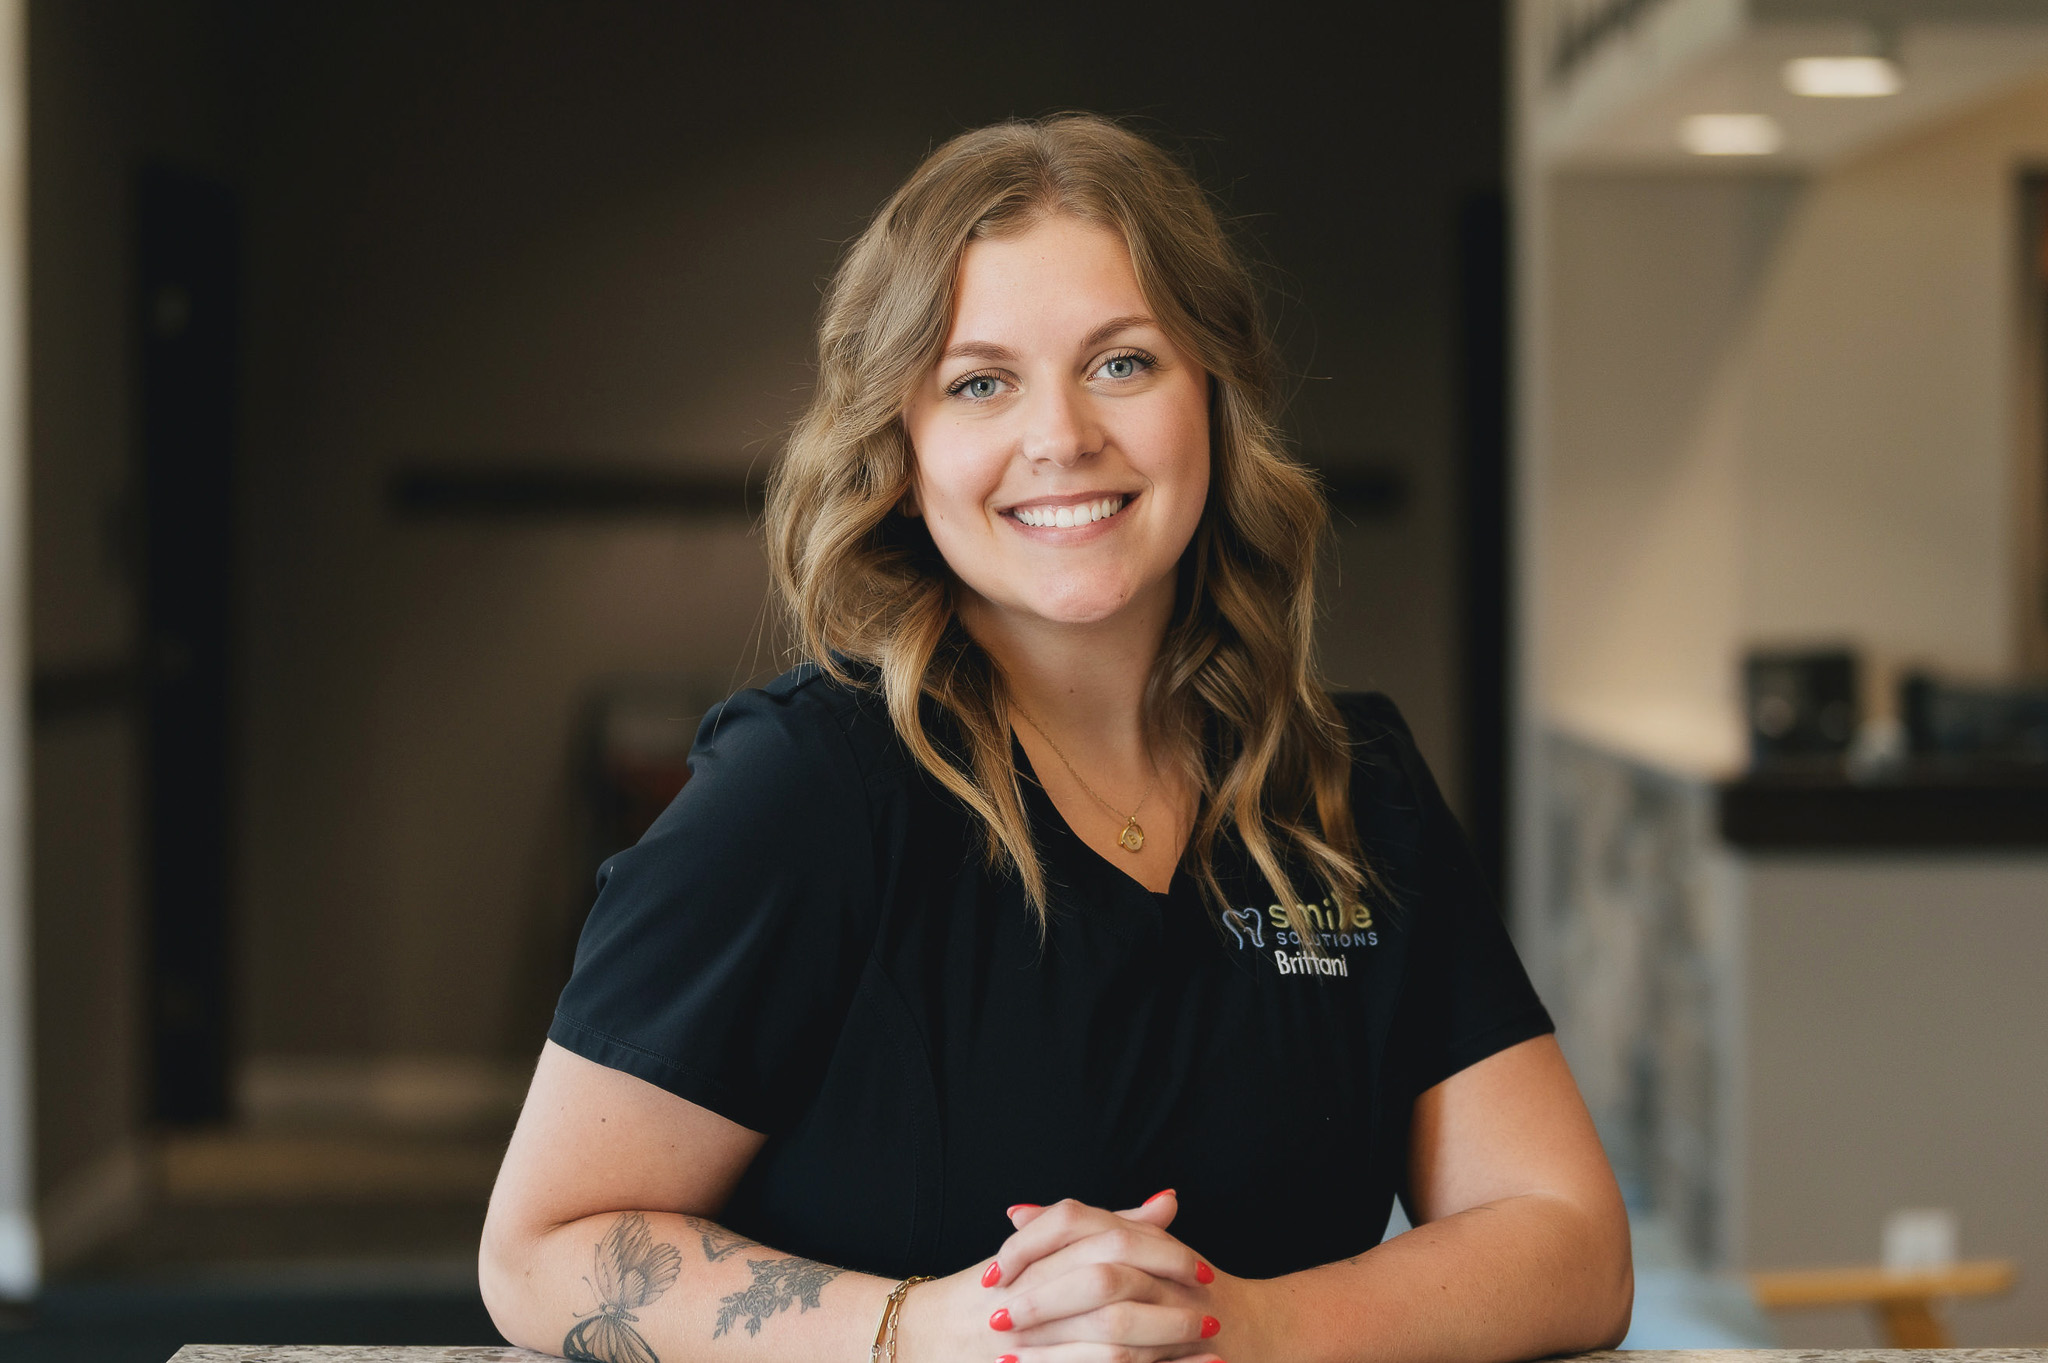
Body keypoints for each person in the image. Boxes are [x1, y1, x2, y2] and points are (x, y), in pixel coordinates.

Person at [479, 113, 1631, 1363]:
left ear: (1213, 394)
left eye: (1121, 363)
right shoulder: (802, 791)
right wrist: (934, 1331)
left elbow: (1568, 1239)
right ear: (901, 445)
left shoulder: (1349, 786)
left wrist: (1240, 1325)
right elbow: (539, 1251)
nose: (1062, 436)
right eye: (980, 382)